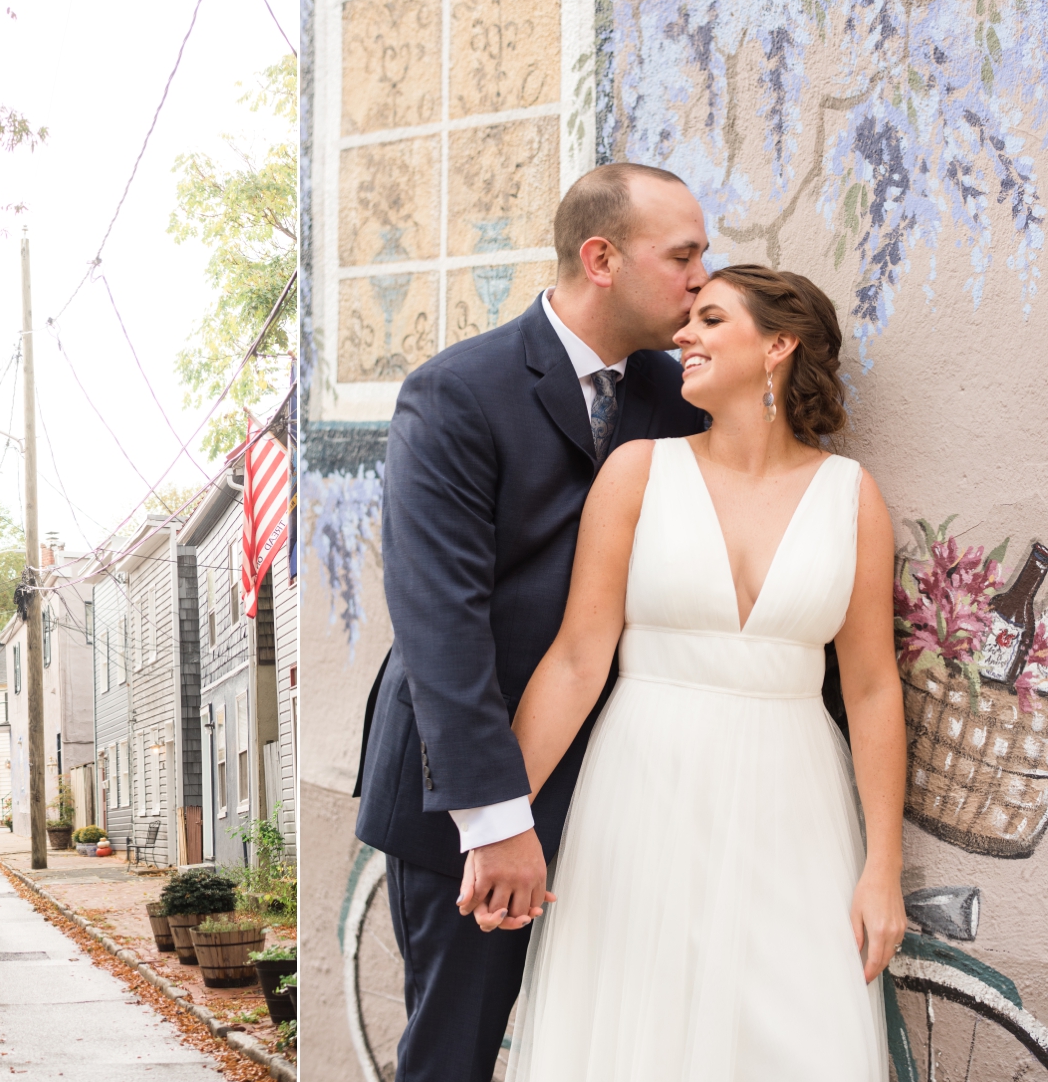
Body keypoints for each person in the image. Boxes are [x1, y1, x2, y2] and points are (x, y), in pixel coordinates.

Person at [500, 266, 905, 1079]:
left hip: (796, 816)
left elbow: (870, 688)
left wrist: (883, 867)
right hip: (646, 796)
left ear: (778, 345)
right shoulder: (639, 472)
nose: (682, 333)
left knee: (803, 1043)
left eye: (711, 318)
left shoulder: (849, 494)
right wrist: (497, 821)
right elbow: (580, 659)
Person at [354, 162, 711, 1082]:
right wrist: (497, 818)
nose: (701, 279)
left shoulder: (677, 399)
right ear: (601, 258)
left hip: (620, 790)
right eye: (683, 256)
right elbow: (441, 625)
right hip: (469, 793)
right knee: (455, 1058)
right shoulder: (457, 394)